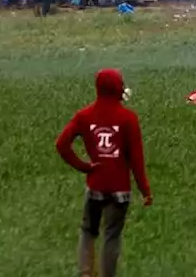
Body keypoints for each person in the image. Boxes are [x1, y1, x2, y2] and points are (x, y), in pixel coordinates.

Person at [55, 69, 152, 277]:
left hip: (95, 186)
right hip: (120, 190)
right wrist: (145, 190)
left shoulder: (84, 116)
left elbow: (62, 144)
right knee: (112, 235)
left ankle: (86, 273)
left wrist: (84, 166)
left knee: (88, 230)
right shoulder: (128, 119)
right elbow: (136, 160)